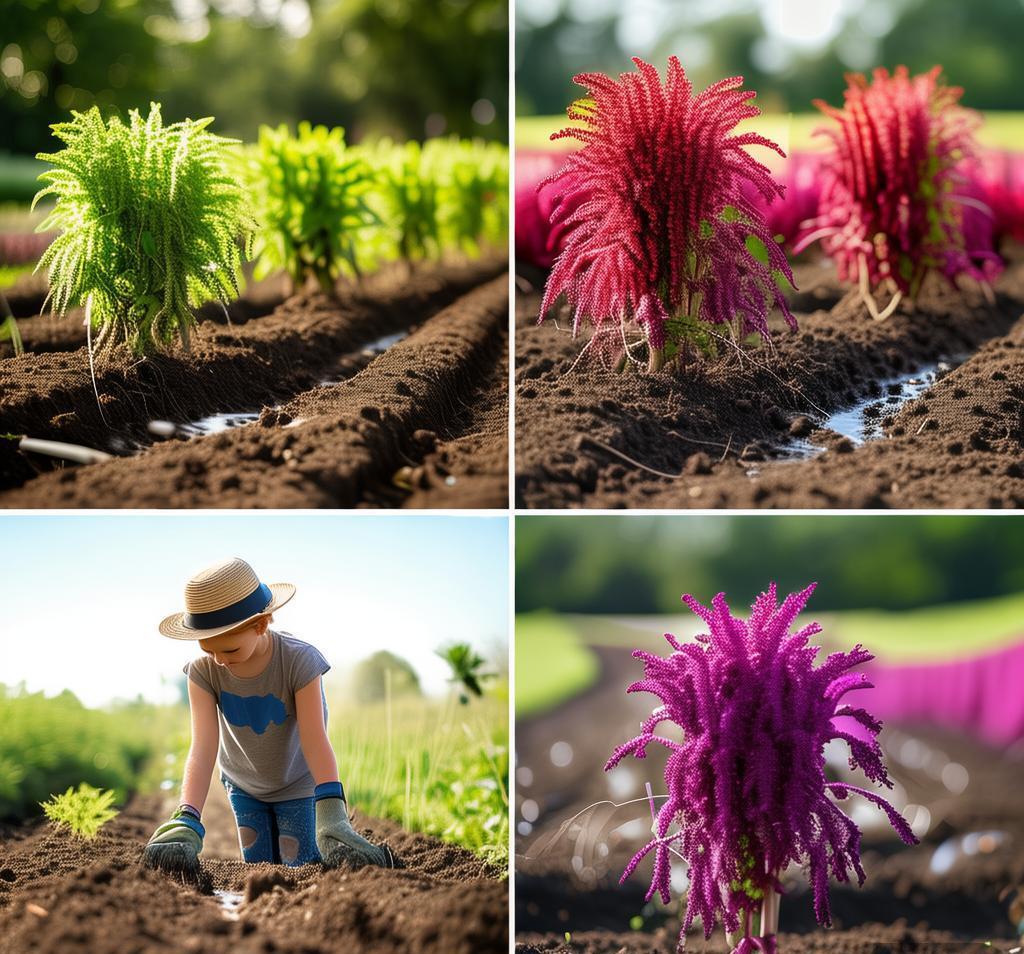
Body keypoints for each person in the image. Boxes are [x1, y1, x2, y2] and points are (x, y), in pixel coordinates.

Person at [142, 557, 390, 874]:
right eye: (208, 650)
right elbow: (203, 748)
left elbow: (315, 738)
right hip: (243, 785)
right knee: (258, 868)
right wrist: (187, 815)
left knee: (299, 866)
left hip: (296, 783)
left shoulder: (300, 661)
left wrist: (331, 810)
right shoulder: (202, 673)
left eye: (229, 650)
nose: (218, 660)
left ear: (261, 624)